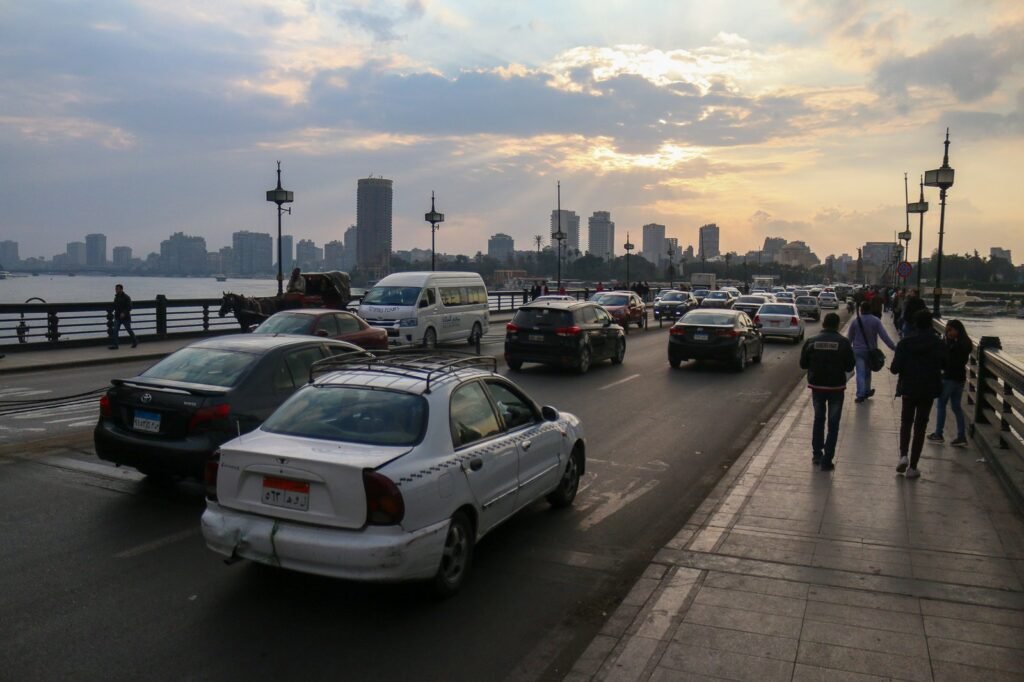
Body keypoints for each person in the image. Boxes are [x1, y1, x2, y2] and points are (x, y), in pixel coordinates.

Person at [891, 309, 946, 478]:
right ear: (931, 324)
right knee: (920, 426)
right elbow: (945, 364)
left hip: (909, 387)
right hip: (928, 389)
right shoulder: (938, 343)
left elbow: (894, 369)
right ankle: (913, 467)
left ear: (914, 324)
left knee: (906, 422)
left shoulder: (905, 343)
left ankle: (903, 456)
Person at [799, 312, 856, 471]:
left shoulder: (811, 341)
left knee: (818, 419)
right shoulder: (843, 343)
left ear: (823, 324)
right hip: (836, 388)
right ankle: (827, 459)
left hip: (817, 386)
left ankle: (817, 454)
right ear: (837, 325)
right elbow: (850, 366)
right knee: (833, 423)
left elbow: (803, 364)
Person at [928, 319, 972, 447]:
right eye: (947, 331)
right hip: (960, 378)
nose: (948, 333)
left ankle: (938, 433)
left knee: (941, 404)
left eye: (950, 330)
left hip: (949, 378)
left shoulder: (954, 346)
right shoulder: (966, 343)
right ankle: (961, 436)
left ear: (957, 330)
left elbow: (946, 361)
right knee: (956, 407)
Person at [847, 300, 896, 403]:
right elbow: (884, 336)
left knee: (860, 372)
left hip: (858, 351)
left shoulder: (856, 321)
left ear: (861, 310)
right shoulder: (876, 321)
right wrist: (893, 347)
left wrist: (847, 349)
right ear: (870, 310)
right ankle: (867, 390)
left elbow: (849, 338)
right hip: (871, 351)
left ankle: (860, 394)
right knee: (868, 372)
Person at [109, 284, 137, 350]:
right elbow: (115, 306)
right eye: (116, 289)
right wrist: (111, 310)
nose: (116, 290)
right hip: (117, 317)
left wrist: (124, 313)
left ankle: (135, 341)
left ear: (121, 289)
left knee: (128, 329)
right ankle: (115, 345)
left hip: (125, 317)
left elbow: (130, 307)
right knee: (115, 330)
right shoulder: (116, 297)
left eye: (117, 289)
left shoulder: (126, 297)